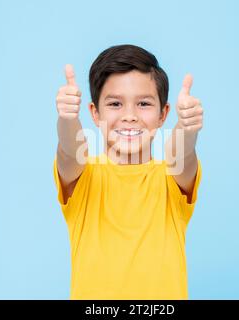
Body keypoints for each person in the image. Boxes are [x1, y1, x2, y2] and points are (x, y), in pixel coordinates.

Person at [53, 44, 204, 299]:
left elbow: (182, 155)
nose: (130, 116)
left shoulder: (171, 176)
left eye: (144, 103)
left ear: (163, 114)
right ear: (94, 112)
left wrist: (187, 128)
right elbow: (69, 151)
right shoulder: (84, 177)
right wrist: (68, 119)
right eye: (115, 104)